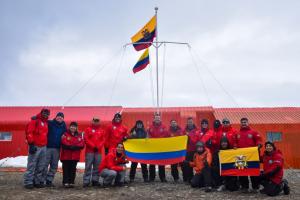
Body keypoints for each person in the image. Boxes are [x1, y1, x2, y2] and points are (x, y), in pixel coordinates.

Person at [24, 108, 50, 189]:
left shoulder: (46, 123)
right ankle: (28, 181)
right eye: (44, 113)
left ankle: (36, 181)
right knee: (32, 164)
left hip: (43, 147)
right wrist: (31, 143)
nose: (45, 114)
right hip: (35, 145)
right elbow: (29, 132)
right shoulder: (35, 120)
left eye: (47, 113)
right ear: (41, 113)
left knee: (41, 165)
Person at [236, 117, 262, 192]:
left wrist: (259, 145)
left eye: (245, 122)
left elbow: (258, 140)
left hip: (252, 155)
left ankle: (255, 187)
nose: (243, 123)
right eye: (242, 122)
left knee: (253, 171)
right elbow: (234, 142)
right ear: (240, 124)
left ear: (248, 123)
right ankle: (244, 187)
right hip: (241, 156)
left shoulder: (253, 132)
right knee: (242, 171)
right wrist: (234, 146)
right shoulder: (237, 133)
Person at [43, 112, 67, 187]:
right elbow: (42, 121)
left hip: (57, 148)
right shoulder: (50, 123)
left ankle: (49, 180)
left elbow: (66, 135)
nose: (60, 118)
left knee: (54, 165)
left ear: (63, 118)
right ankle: (41, 180)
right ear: (56, 117)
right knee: (44, 164)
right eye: (58, 116)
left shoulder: (64, 126)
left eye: (61, 117)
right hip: (48, 147)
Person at [83, 117, 106, 187]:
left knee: (97, 166)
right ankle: (86, 181)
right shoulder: (87, 129)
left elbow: (103, 140)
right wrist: (93, 146)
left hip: (98, 152)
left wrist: (98, 147)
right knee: (88, 166)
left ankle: (95, 180)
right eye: (95, 121)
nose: (96, 122)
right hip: (90, 151)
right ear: (92, 121)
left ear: (99, 122)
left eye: (97, 121)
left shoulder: (102, 130)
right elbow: (86, 139)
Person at [60, 122, 84, 188]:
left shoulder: (79, 135)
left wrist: (74, 146)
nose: (73, 128)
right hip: (66, 156)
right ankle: (65, 182)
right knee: (66, 169)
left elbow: (82, 144)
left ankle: (71, 182)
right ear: (69, 127)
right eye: (71, 126)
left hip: (75, 156)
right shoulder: (65, 134)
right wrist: (71, 146)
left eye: (74, 126)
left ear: (76, 128)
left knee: (73, 169)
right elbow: (63, 141)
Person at [148, 113, 170, 182]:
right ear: (154, 119)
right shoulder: (150, 127)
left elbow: (167, 135)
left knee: (161, 163)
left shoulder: (164, 127)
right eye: (156, 118)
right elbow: (148, 136)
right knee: (152, 163)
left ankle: (162, 177)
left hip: (161, 148)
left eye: (158, 118)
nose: (157, 119)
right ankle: (152, 177)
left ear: (160, 119)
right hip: (152, 148)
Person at [182, 117, 199, 183]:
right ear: (187, 122)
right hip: (188, 150)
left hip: (195, 150)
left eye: (191, 122)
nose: (190, 123)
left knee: (197, 165)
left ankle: (197, 178)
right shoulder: (184, 130)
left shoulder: (197, 130)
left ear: (193, 122)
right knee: (188, 165)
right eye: (189, 122)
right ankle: (189, 179)